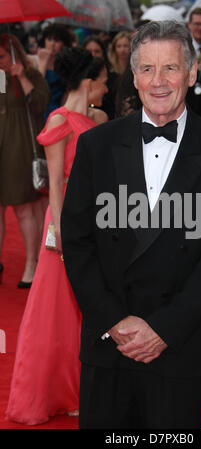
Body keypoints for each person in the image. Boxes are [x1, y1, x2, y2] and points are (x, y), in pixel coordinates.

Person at [61, 20, 201, 429]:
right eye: (147, 69)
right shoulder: (97, 145)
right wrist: (115, 321)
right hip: (109, 343)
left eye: (171, 68)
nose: (158, 81)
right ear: (133, 76)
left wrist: (163, 329)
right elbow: (77, 243)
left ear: (192, 72)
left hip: (179, 347)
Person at [5, 47, 108, 425]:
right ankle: (53, 393)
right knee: (55, 311)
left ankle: (83, 389)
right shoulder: (58, 121)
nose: (106, 88)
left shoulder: (100, 118)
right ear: (88, 81)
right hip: (64, 223)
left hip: (99, 220)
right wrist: (60, 231)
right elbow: (55, 186)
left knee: (89, 309)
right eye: (103, 81)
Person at [0, 34, 50, 287]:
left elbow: (40, 103)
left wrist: (21, 76)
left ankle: (32, 263)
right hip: (1, 144)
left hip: (20, 147)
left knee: (23, 208)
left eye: (1, 56)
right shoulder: (0, 78)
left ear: (13, 53)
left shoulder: (31, 75)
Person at [30, 24, 73, 120]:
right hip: (38, 108)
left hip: (58, 110)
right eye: (49, 39)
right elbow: (37, 87)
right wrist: (43, 62)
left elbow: (67, 92)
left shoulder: (66, 64)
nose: (52, 44)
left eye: (57, 41)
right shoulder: (33, 60)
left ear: (64, 43)